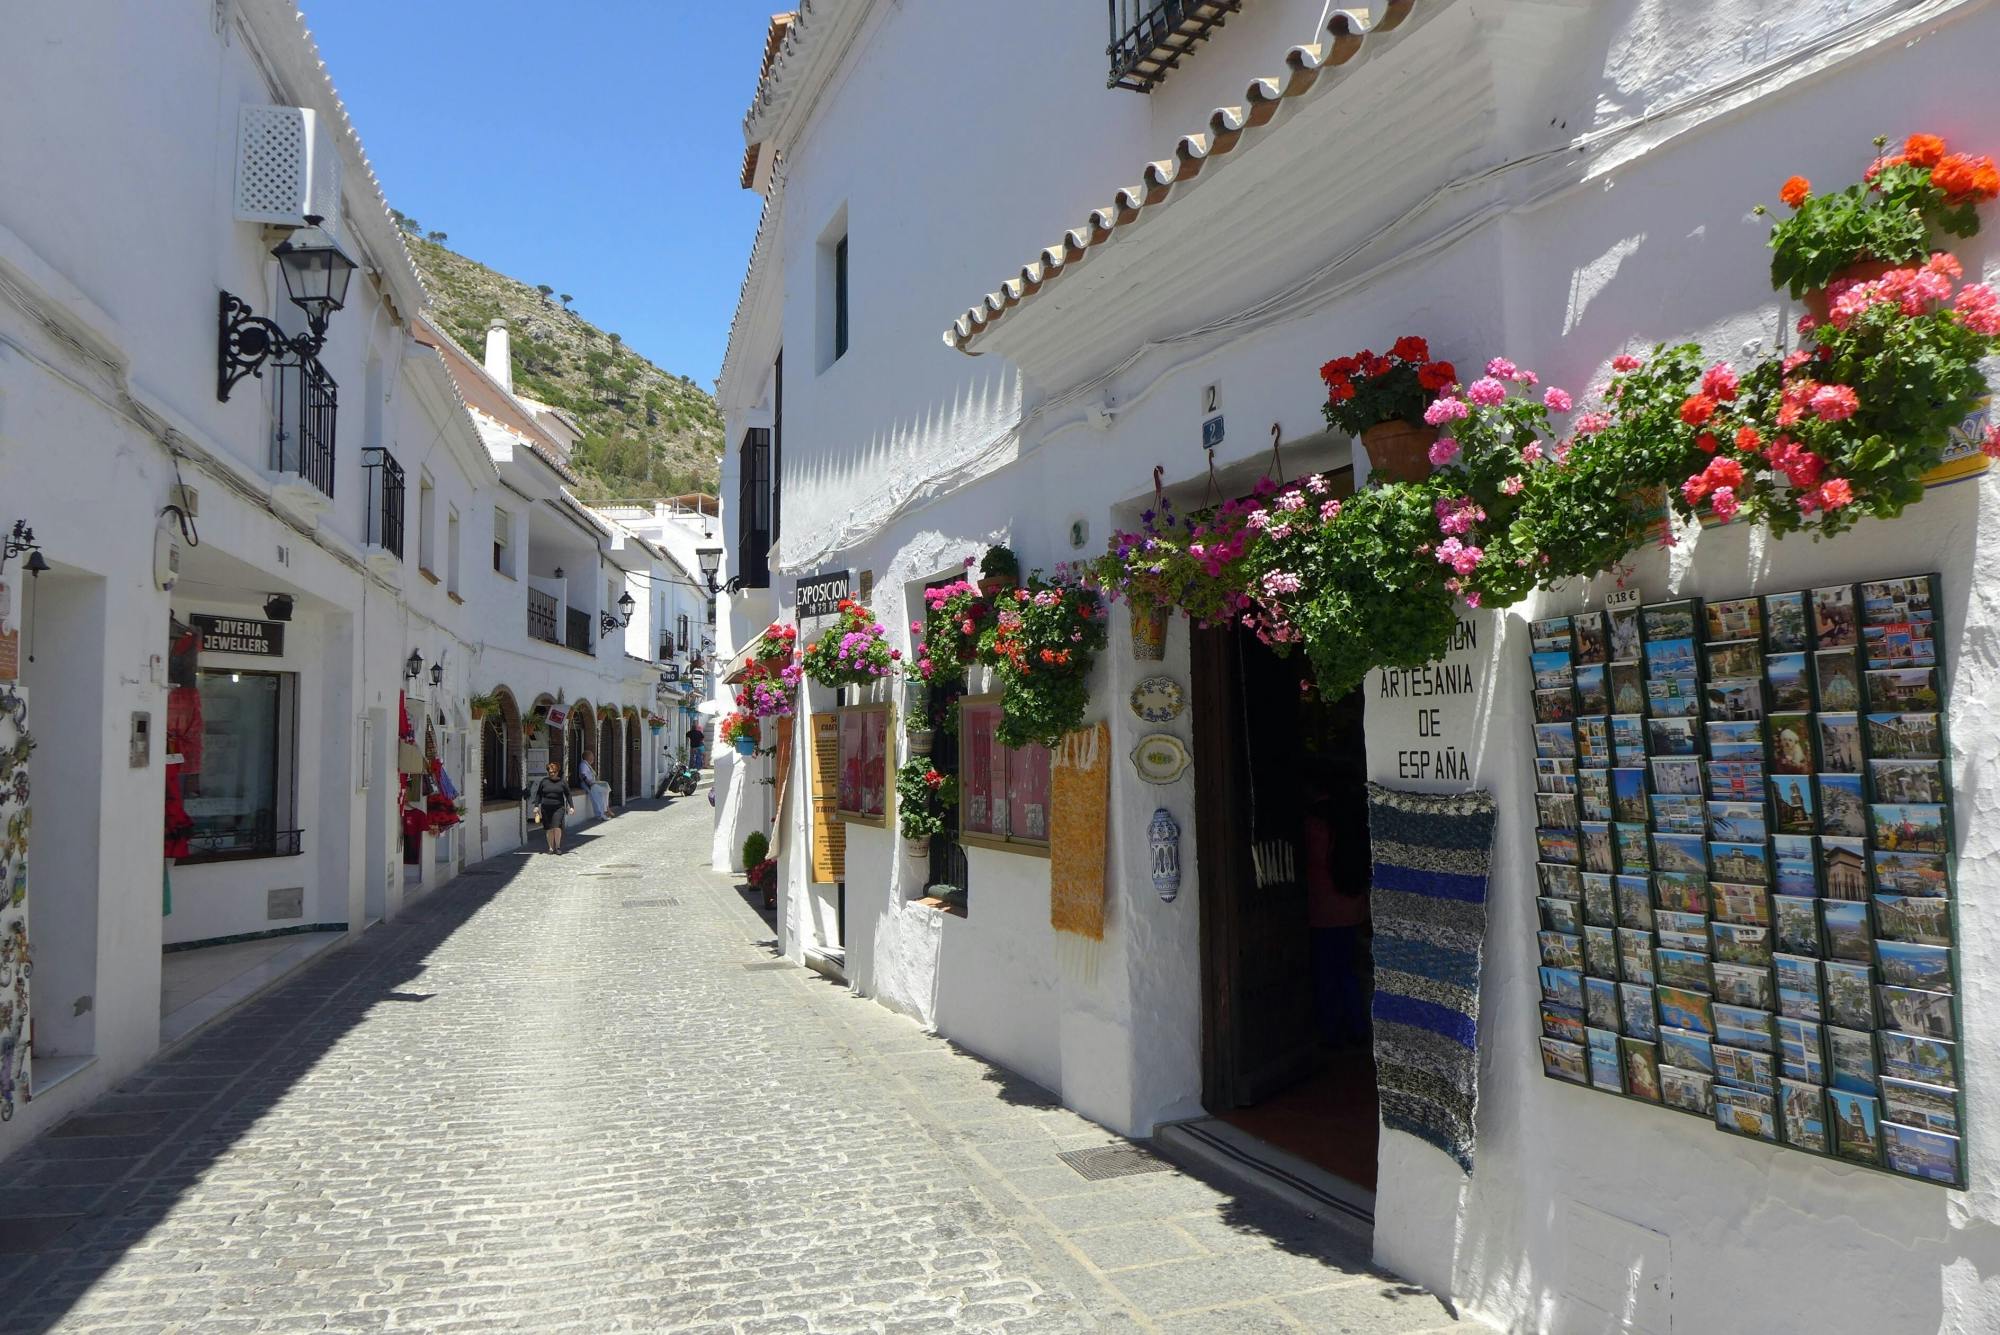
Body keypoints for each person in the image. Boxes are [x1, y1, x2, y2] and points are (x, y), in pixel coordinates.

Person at [530, 761, 572, 854]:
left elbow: (568, 794)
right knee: (549, 828)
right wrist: (536, 806)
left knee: (557, 826)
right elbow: (539, 794)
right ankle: (551, 848)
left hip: (559, 808)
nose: (552, 774)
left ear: (557, 772)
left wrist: (571, 806)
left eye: (554, 772)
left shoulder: (562, 782)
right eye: (550, 772)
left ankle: (558, 847)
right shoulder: (544, 781)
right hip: (546, 808)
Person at [579, 751, 609, 820]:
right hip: (587, 784)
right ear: (587, 757)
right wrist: (589, 784)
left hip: (592, 783)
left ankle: (605, 810)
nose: (593, 757)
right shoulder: (583, 764)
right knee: (596, 798)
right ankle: (600, 815)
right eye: (592, 756)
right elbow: (583, 775)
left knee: (605, 788)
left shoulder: (587, 764)